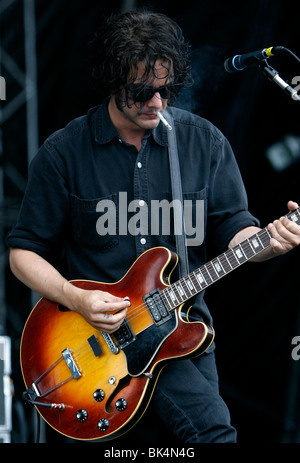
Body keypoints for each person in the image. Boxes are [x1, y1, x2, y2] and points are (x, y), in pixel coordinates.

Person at [6, 10, 300, 443]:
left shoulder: (204, 143)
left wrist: (270, 244)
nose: (157, 103)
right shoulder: (64, 152)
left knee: (213, 436)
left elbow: (236, 231)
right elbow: (23, 252)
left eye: (165, 90)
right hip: (91, 352)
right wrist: (75, 298)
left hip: (182, 338)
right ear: (112, 79)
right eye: (142, 92)